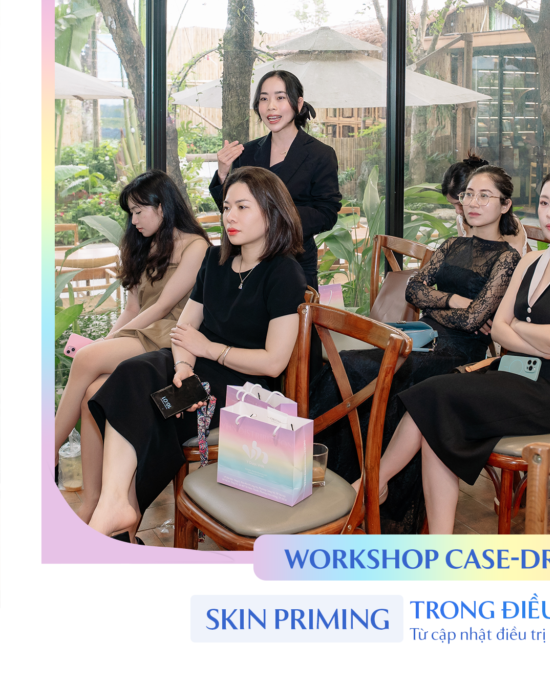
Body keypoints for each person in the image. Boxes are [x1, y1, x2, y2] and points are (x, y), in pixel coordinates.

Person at [365, 165, 550, 534]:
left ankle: (373, 484)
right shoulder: (531, 260)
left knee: (435, 398)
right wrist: (542, 340)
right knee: (434, 404)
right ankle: (429, 533)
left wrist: (526, 331)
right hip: (512, 375)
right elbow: (500, 329)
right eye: (545, 202)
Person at [84, 167, 307, 540]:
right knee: (132, 374)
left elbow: (273, 362)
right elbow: (183, 331)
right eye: (226, 207)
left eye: (242, 207)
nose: (230, 216)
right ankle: (115, 505)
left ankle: (121, 512)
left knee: (142, 401)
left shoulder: (285, 273)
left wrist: (209, 350)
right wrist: (184, 368)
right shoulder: (216, 261)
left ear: (272, 212)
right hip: (196, 374)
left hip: (242, 390)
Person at [308, 166, 522, 532]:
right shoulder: (451, 245)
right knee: (349, 364)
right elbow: (413, 289)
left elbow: (475, 319)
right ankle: (333, 475)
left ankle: (375, 484)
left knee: (378, 371)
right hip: (422, 337)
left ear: (505, 205)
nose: (473, 202)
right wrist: (453, 300)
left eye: (485, 196)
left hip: (459, 354)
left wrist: (441, 306)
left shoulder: (507, 258)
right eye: (469, 194)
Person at [56, 171, 209, 512]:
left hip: (173, 337)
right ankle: (93, 503)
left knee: (85, 359)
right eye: (131, 213)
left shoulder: (196, 246)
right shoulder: (144, 245)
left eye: (139, 211)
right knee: (93, 395)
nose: (134, 220)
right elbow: (133, 309)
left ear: (162, 207)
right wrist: (107, 341)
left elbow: (164, 306)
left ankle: (47, 451)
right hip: (145, 330)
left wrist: (102, 347)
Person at [211, 70, 341, 289]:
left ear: (298, 103)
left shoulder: (321, 154)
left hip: (295, 262)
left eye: (280, 97)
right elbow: (231, 209)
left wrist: (272, 219)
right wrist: (223, 174)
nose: (271, 106)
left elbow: (327, 213)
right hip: (248, 262)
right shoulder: (247, 153)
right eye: (264, 99)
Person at [441, 152, 527, 254]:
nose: (457, 211)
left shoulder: (508, 226)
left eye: (483, 196)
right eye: (453, 204)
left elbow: (515, 262)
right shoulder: (461, 220)